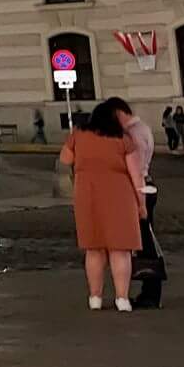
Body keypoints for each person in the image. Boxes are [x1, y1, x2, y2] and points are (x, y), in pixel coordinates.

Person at [60, 100, 146, 311]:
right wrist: (141, 205)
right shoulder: (123, 139)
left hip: (87, 194)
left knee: (94, 248)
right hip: (120, 195)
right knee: (121, 249)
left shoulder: (78, 135)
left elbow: (65, 159)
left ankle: (95, 298)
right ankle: (122, 298)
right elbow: (137, 176)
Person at [103, 98, 163, 308]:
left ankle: (150, 292)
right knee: (145, 240)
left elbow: (136, 170)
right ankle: (150, 292)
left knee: (143, 242)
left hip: (139, 189)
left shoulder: (132, 134)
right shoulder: (143, 127)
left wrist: (140, 203)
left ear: (118, 113)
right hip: (146, 186)